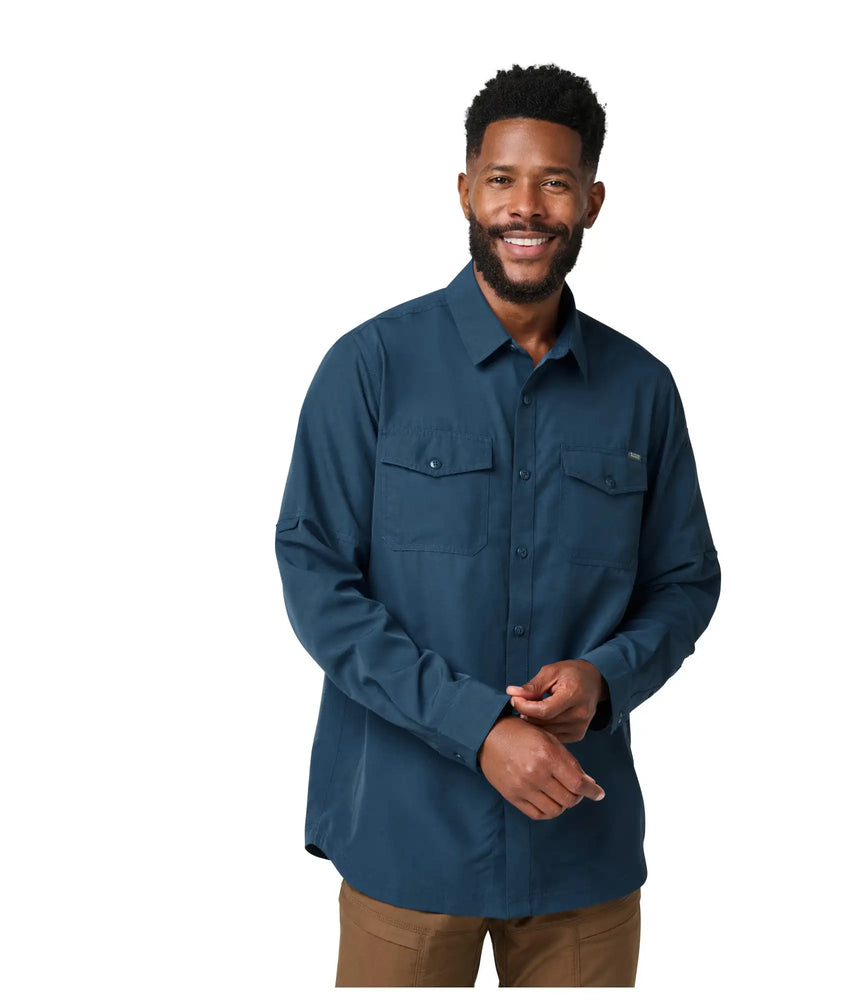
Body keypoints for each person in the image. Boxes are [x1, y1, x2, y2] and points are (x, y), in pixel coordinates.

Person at [275, 63, 721, 988]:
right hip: (406, 841)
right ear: (465, 191)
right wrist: (479, 728)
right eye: (503, 179)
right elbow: (318, 580)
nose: (526, 207)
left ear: (592, 202)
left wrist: (607, 677)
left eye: (555, 182)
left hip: (581, 850)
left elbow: (685, 581)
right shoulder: (370, 366)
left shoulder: (643, 390)